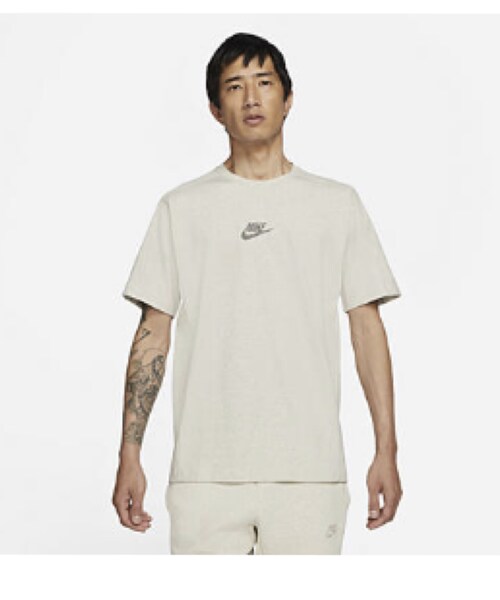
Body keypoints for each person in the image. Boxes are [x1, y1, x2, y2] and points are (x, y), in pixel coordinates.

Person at [112, 32, 403, 555]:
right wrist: (129, 455)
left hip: (309, 473)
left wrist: (387, 450)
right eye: (234, 86)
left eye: (265, 83)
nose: (251, 98)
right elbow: (153, 333)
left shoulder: (336, 204)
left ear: (288, 99)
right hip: (205, 475)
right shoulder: (182, 208)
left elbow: (367, 329)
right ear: (214, 109)